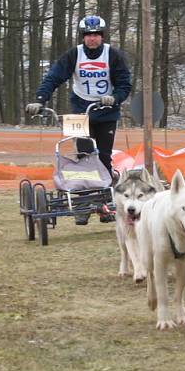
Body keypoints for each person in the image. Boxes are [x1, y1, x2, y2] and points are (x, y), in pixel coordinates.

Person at [26, 14, 132, 224]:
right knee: (82, 156)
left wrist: (115, 98)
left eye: (96, 34)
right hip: (79, 110)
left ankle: (103, 205)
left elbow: (124, 84)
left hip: (106, 111)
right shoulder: (74, 54)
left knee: (103, 157)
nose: (92, 38)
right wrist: (39, 99)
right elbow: (53, 77)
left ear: (102, 36)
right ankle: (83, 205)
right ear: (83, 37)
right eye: (88, 35)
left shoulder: (113, 55)